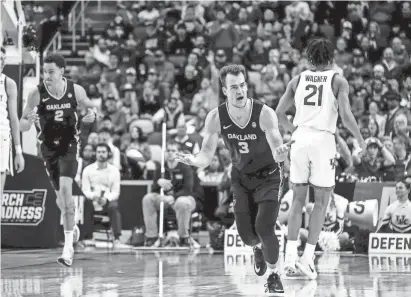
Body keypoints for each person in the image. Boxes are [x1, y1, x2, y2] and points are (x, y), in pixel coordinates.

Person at [176, 64, 291, 295]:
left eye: (242, 85)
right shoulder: (216, 117)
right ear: (225, 90)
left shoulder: (264, 113)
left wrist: (281, 153)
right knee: (247, 235)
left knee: (264, 226)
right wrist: (195, 161)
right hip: (240, 178)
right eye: (234, 87)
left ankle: (274, 275)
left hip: (269, 175)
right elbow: (207, 154)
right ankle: (256, 247)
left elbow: (277, 146)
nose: (240, 91)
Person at [276, 38, 366, 280]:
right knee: (322, 202)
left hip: (299, 138)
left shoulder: (297, 80)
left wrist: (292, 131)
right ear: (331, 58)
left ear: (309, 58)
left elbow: (279, 113)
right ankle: (307, 258)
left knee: (297, 200)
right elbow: (346, 116)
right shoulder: (338, 80)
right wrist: (360, 139)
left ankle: (289, 258)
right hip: (323, 140)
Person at [19, 54, 96, 267]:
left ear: (62, 71)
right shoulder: (37, 94)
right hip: (48, 149)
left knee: (65, 191)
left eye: (51, 71)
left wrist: (92, 114)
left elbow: (90, 106)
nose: (47, 75)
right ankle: (73, 229)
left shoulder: (75, 90)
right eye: (45, 71)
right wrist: (29, 121)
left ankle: (68, 247)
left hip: (69, 146)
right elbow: (22, 124)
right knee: (61, 201)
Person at [142, 140, 197, 247]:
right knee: (148, 199)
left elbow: (188, 189)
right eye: (168, 150)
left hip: (184, 198)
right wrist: (158, 182)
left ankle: (183, 237)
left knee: (182, 202)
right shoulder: (161, 168)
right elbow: (154, 189)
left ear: (178, 153)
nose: (170, 153)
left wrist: (172, 197)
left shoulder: (185, 167)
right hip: (165, 199)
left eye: (173, 150)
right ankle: (151, 237)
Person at [81, 143, 123, 247]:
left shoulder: (115, 171)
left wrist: (106, 199)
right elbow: (85, 190)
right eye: (99, 152)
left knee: (114, 206)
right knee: (85, 203)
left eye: (103, 152)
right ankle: (88, 237)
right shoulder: (87, 170)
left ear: (108, 153)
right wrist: (93, 196)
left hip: (107, 200)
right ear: (95, 154)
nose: (101, 154)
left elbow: (116, 192)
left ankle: (117, 238)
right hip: (92, 199)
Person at [0, 47, 25, 193]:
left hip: (2, 137)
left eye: (4, 59)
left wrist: (19, 152)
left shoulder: (8, 83)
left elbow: (14, 118)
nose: (2, 62)